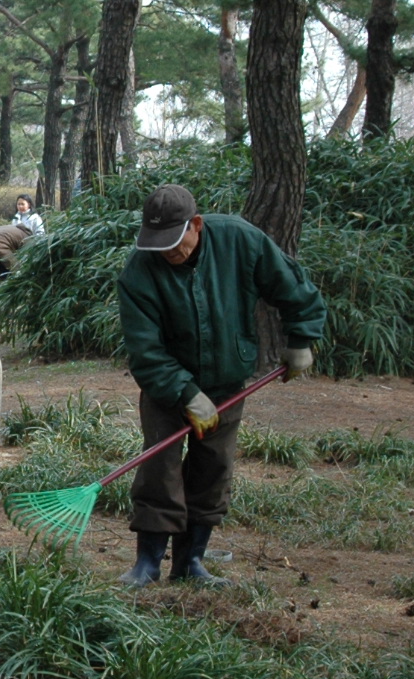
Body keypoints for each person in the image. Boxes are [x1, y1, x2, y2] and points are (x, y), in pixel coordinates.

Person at [115, 183, 325, 587]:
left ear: (196, 225)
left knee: (214, 466)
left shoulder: (240, 240)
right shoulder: (139, 271)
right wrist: (185, 393)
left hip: (227, 378)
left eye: (175, 243)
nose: (167, 253)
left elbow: (292, 286)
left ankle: (190, 563)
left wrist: (301, 339)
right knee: (160, 467)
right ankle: (148, 563)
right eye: (157, 244)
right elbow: (144, 350)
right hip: (166, 384)